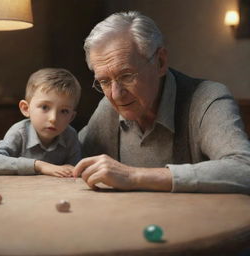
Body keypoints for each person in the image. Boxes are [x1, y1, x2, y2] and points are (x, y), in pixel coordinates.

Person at [73, 11, 250, 193]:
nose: (116, 95)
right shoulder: (108, 108)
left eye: (126, 76)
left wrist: (133, 176)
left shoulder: (207, 99)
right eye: (104, 81)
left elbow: (244, 169)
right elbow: (69, 155)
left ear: (160, 62)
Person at [0, 68, 82, 177]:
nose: (53, 118)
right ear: (26, 109)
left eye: (64, 111)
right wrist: (39, 166)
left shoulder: (70, 135)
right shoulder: (19, 133)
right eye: (45, 107)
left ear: (71, 117)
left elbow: (76, 170)